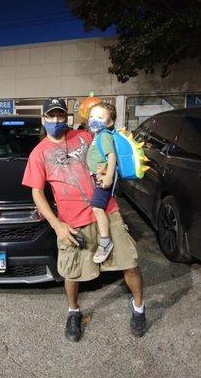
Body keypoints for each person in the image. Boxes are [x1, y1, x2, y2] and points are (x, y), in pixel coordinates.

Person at [22, 98, 146, 342]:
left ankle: (139, 307)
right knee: (71, 273)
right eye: (51, 116)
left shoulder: (85, 136)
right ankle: (73, 311)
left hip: (107, 211)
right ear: (43, 119)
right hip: (72, 222)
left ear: (66, 117)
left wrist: (108, 170)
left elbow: (108, 151)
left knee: (130, 263)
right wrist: (57, 225)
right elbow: (37, 193)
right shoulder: (38, 154)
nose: (56, 121)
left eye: (60, 116)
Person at [86, 102, 118, 264]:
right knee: (97, 207)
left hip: (104, 176)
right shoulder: (97, 135)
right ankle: (104, 239)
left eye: (99, 117)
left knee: (97, 207)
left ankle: (105, 242)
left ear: (110, 122)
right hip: (99, 175)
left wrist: (109, 177)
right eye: (92, 116)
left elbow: (111, 156)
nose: (94, 120)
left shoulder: (105, 135)